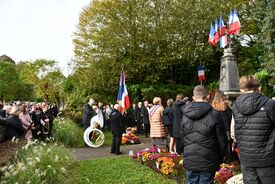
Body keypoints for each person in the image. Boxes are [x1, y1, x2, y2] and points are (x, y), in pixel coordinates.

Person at [231, 75, 275, 184]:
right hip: (267, 158)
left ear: (241, 89)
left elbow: (233, 132)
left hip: (246, 157)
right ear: (258, 88)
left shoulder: (235, 106)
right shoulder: (270, 103)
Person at [181, 85, 227, 184]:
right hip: (208, 158)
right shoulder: (215, 114)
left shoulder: (185, 116)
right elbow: (222, 140)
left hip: (191, 157)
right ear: (208, 97)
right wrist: (221, 156)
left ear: (193, 98)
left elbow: (182, 137)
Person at [211, 90, 232, 159]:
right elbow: (230, 118)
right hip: (226, 129)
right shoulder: (226, 106)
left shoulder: (212, 106)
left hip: (216, 129)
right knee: (227, 147)